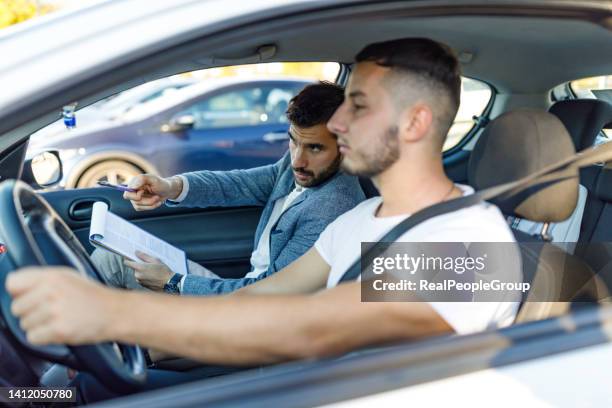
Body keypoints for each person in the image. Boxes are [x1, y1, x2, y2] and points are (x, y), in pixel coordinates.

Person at [7, 38, 521, 393]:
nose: (338, 123)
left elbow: (312, 329)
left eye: (358, 106)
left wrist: (109, 312)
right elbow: (265, 295)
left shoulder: (474, 242)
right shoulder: (362, 217)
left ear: (415, 122)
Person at [91, 81, 365, 295]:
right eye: (293, 141)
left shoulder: (333, 207)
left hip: (251, 313)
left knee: (112, 268)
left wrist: (175, 283)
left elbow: (271, 295)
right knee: (109, 257)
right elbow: (237, 183)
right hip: (242, 292)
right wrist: (169, 186)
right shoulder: (298, 165)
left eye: (315, 148)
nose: (297, 160)